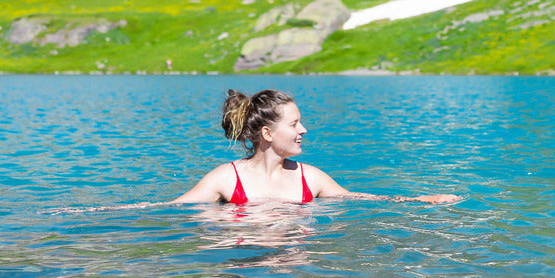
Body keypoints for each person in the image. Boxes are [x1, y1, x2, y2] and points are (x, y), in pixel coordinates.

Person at [173, 88, 459, 205]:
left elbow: (360, 199)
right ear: (267, 133)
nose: (304, 130)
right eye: (294, 124)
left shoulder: (310, 177)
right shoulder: (226, 178)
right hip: (245, 268)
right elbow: (169, 209)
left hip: (298, 273)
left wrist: (419, 200)